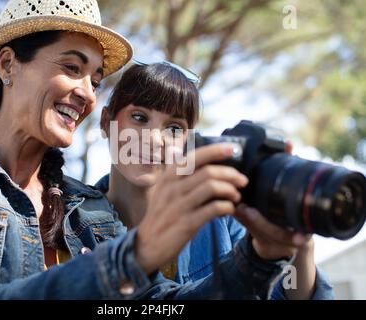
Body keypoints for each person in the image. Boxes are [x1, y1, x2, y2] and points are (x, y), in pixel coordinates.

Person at [0, 0, 292, 300]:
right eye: (72, 67)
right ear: (8, 64)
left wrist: (262, 256)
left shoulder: (91, 208)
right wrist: (126, 259)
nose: (87, 93)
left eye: (96, 80)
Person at [95, 62, 334, 299]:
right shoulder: (73, 223)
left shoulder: (220, 216)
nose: (156, 140)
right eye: (139, 117)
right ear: (106, 121)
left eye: (175, 129)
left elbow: (279, 293)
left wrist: (300, 243)